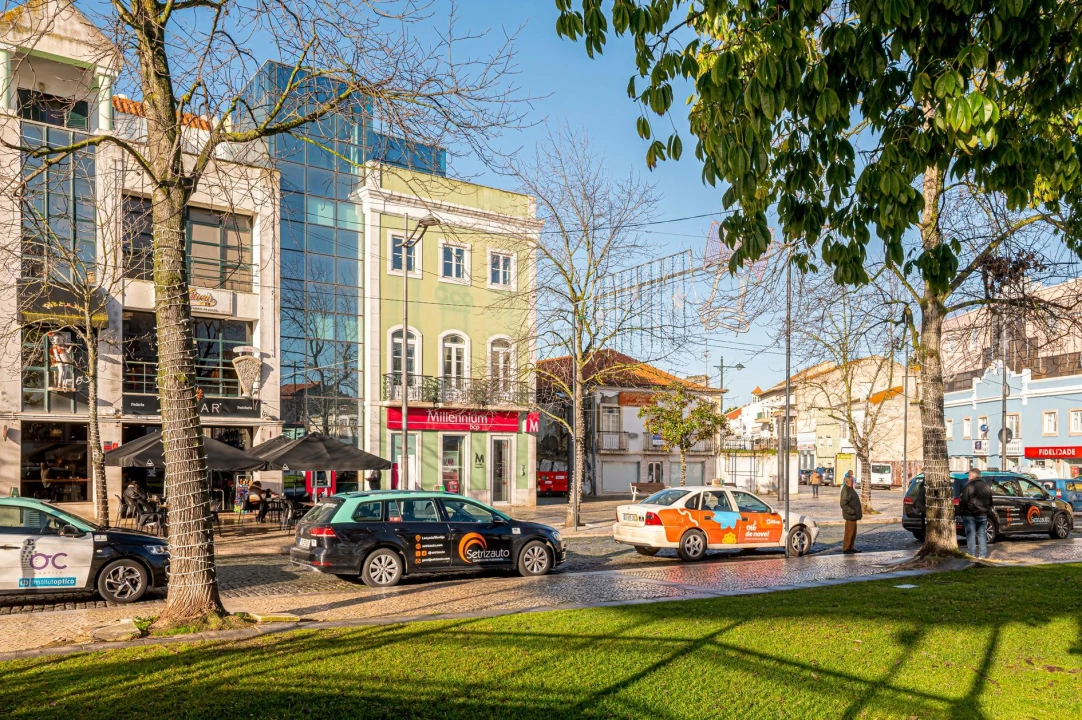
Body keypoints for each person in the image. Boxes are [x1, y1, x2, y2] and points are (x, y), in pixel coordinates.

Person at [959, 468, 992, 559]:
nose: (968, 477)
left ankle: (971, 554)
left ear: (973, 475)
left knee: (971, 534)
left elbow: (964, 500)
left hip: (970, 514)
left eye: (969, 475)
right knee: (982, 534)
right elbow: (990, 500)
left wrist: (961, 511)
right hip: (982, 514)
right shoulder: (986, 486)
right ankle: (983, 554)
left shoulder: (969, 486)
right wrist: (986, 509)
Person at [840, 471, 863, 553]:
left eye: (853, 480)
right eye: (851, 481)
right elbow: (843, 504)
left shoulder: (850, 489)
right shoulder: (846, 490)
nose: (853, 482)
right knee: (849, 533)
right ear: (847, 482)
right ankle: (846, 548)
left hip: (854, 516)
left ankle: (851, 547)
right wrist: (851, 511)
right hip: (850, 515)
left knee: (853, 533)